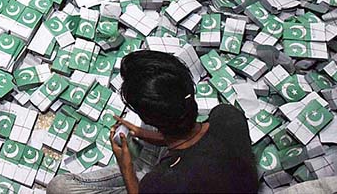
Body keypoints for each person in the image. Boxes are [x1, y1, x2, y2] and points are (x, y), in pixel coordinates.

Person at [47, 50, 259, 194]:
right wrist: (143, 132)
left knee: (59, 187)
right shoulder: (228, 115)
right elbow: (193, 140)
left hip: (172, 181)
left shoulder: (162, 182)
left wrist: (126, 167)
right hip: (225, 182)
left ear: (150, 118)